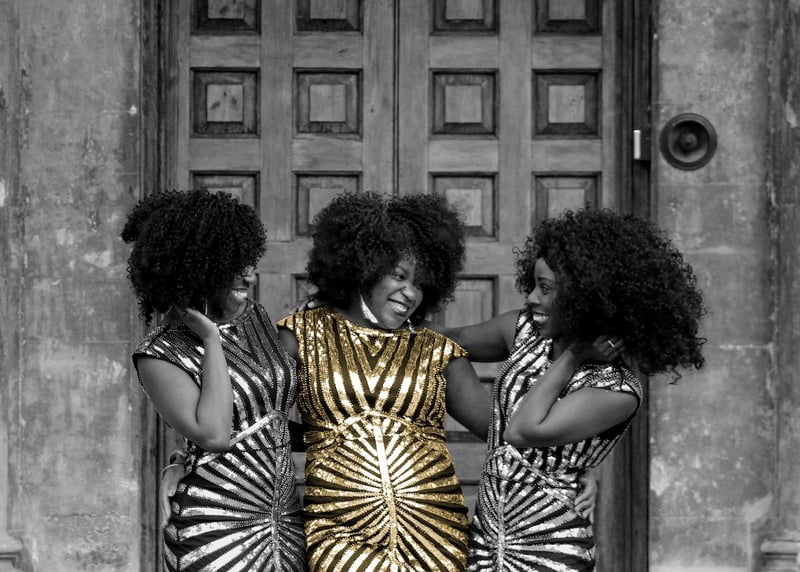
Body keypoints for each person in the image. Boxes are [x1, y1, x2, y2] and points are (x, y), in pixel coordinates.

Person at [437, 207, 706, 571]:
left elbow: (521, 431)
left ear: (586, 299)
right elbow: (439, 344)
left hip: (551, 552)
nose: (532, 297)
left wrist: (574, 354)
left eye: (546, 288)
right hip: (485, 547)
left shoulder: (617, 390)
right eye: (534, 284)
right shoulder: (523, 332)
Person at [277, 191, 490, 571]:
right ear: (365, 267)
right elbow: (253, 416)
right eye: (399, 276)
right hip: (340, 536)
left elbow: (506, 432)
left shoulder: (435, 348)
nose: (410, 293)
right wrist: (326, 439)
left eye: (421, 283)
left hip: (434, 537)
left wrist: (576, 468)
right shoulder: (302, 334)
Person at [122, 189, 307, 571]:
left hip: (284, 521)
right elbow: (215, 434)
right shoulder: (159, 354)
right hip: (214, 527)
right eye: (235, 265)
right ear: (196, 268)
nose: (250, 275)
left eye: (249, 262)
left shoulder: (255, 317)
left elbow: (266, 418)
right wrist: (210, 338)